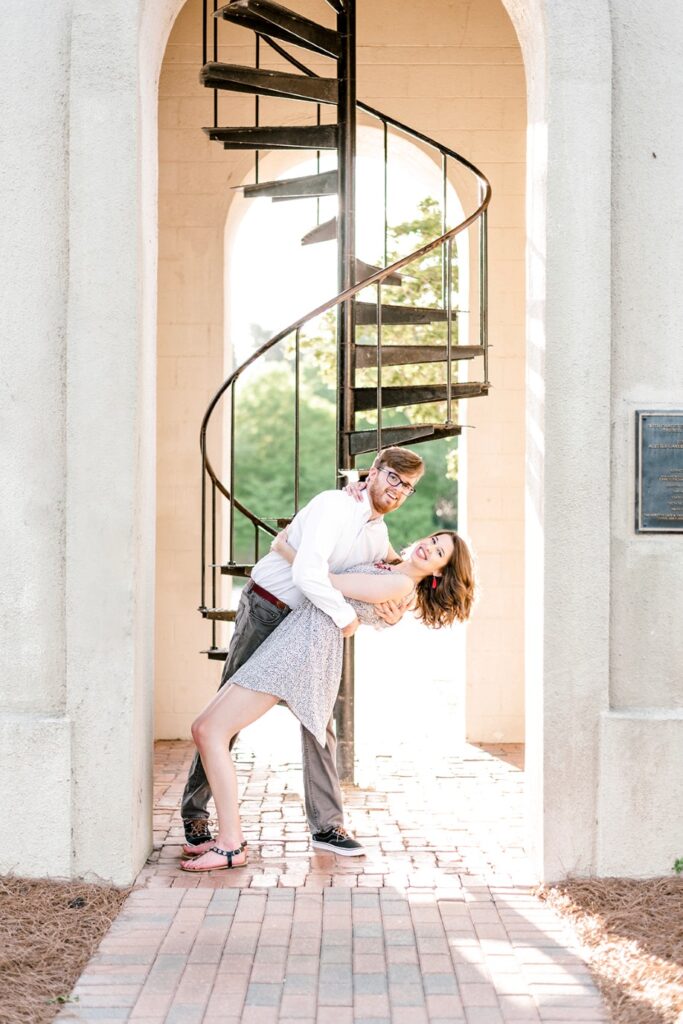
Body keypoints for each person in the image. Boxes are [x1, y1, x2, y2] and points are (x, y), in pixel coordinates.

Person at [180, 527, 475, 872]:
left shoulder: (400, 585)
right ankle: (232, 838)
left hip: (303, 646)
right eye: (432, 539)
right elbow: (374, 533)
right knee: (206, 728)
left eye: (439, 553)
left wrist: (284, 548)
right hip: (298, 637)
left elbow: (327, 580)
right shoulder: (392, 568)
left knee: (212, 730)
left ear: (439, 572)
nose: (429, 547)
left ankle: (232, 844)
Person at [181, 447, 425, 859]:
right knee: (226, 717)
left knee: (318, 720)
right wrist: (345, 615)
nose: (399, 490)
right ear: (374, 473)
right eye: (394, 478)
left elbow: (391, 574)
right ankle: (194, 811)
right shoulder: (335, 506)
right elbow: (307, 573)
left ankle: (327, 826)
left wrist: (399, 605)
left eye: (409, 487)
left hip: (307, 626)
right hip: (267, 608)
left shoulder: (376, 534)